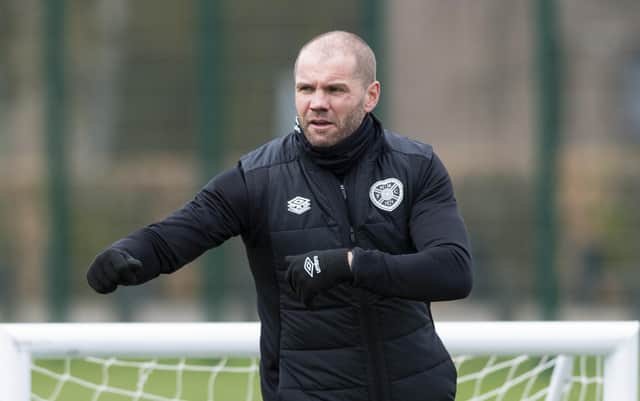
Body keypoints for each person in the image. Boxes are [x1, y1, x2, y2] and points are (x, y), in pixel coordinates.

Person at [87, 30, 473, 401]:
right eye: (306, 88)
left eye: (335, 89)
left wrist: (350, 264)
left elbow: (452, 271)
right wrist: (127, 254)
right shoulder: (258, 178)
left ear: (370, 95)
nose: (317, 102)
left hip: (418, 391)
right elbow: (176, 234)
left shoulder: (415, 166)